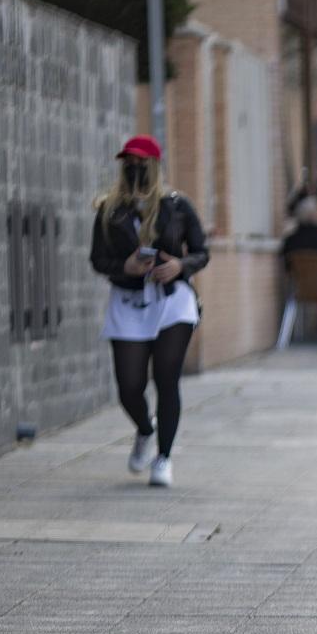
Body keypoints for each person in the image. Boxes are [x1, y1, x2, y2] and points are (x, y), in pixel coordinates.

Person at [89, 135, 209, 488]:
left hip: (173, 301)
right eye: (128, 162)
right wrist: (124, 267)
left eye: (141, 162)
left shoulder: (178, 205)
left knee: (166, 378)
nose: (134, 168)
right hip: (129, 302)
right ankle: (145, 428)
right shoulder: (110, 209)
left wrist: (180, 266)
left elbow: (202, 251)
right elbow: (97, 259)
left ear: (154, 165)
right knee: (129, 386)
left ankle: (164, 457)